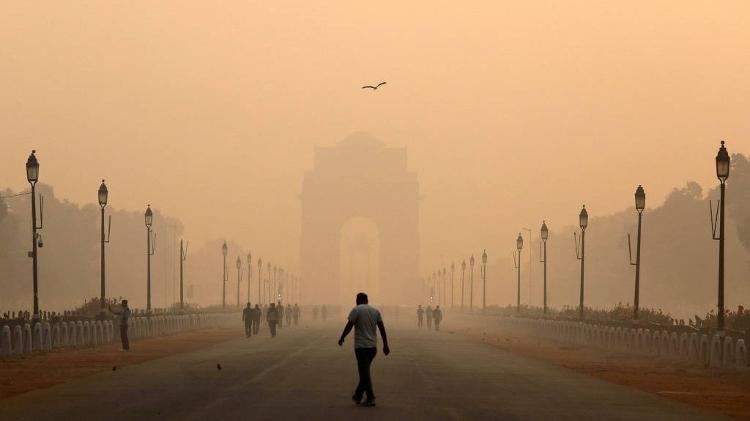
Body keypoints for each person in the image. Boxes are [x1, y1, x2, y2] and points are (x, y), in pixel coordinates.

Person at [338, 293, 390, 407]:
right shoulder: (375, 311)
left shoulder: (356, 310)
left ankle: (370, 397)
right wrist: (385, 345)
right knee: (365, 372)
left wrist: (342, 337)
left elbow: (349, 325)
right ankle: (358, 395)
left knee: (364, 374)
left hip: (361, 347)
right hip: (372, 348)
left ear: (358, 300)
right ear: (367, 300)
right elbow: (382, 329)